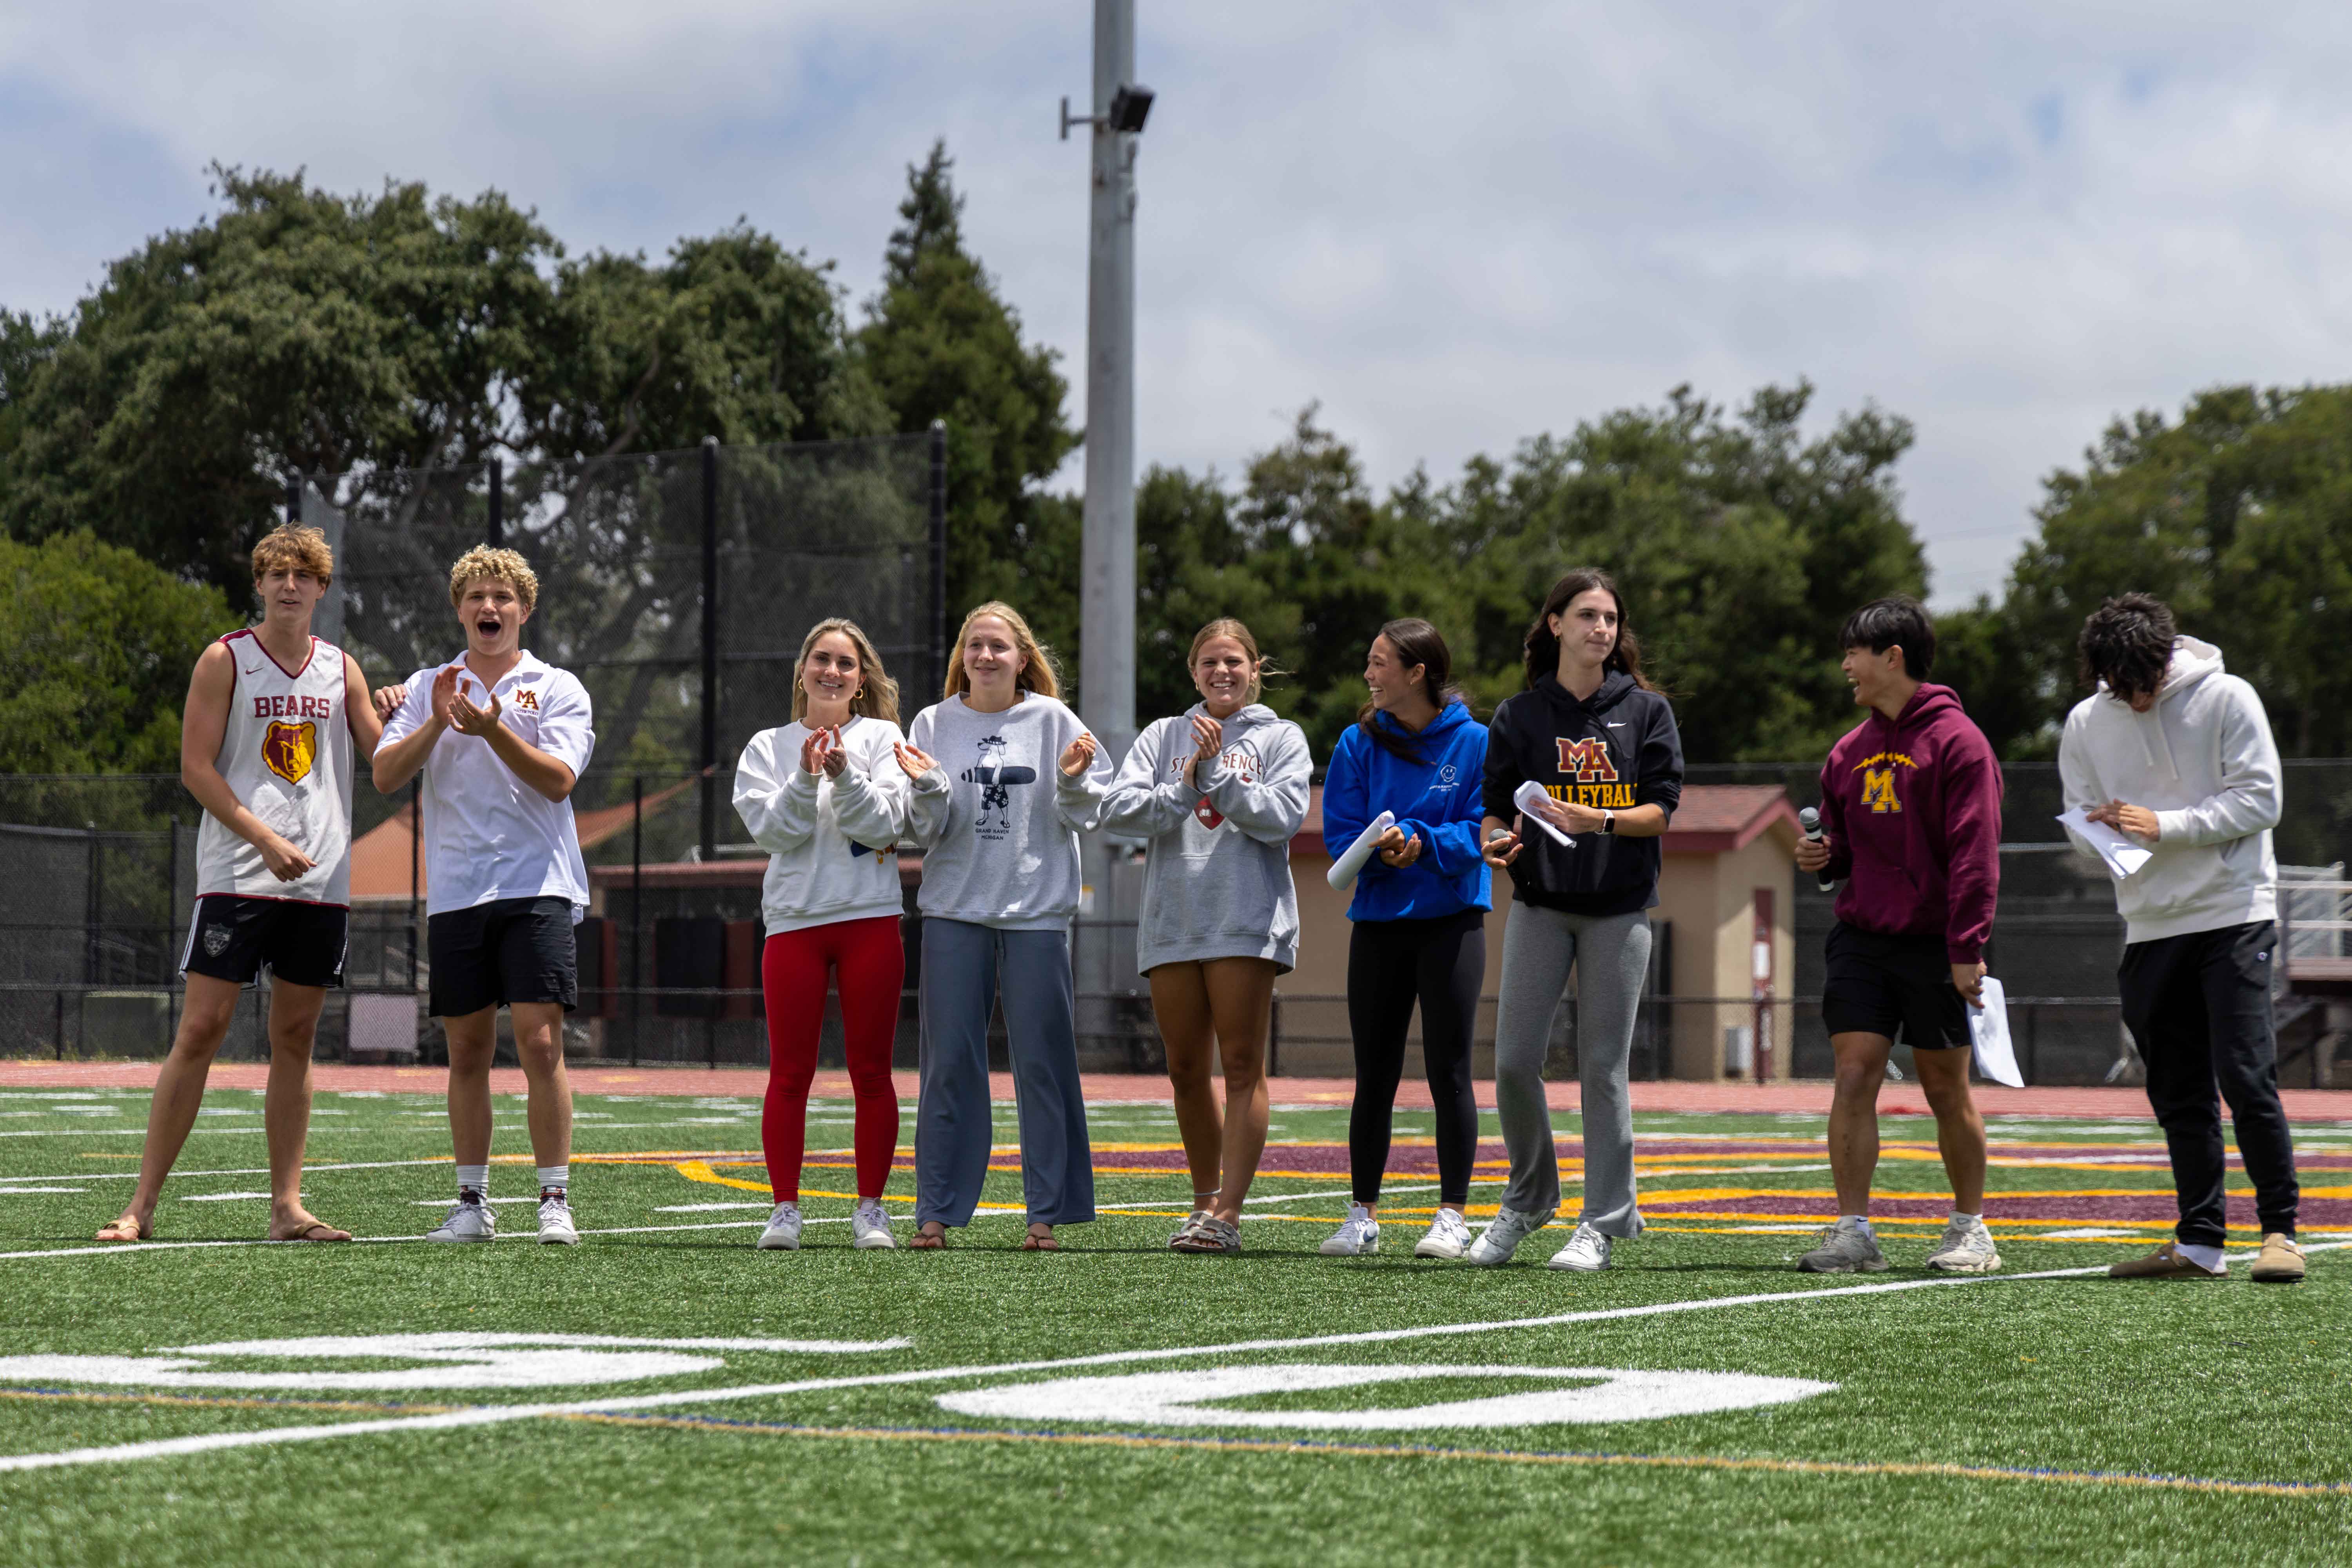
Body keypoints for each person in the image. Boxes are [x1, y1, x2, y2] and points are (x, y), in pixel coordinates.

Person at [98, 526, 387, 1245]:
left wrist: (421, 710)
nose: (290, 586)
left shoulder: (341, 669)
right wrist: (264, 838)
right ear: (258, 584)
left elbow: (386, 759)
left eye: (304, 575)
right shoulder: (225, 660)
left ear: (323, 589)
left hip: (320, 883)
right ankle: (140, 1206)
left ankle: (287, 1207)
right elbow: (197, 770)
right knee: (201, 1030)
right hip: (237, 876)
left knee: (296, 1035)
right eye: (277, 574)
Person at [2061, 595, 2303, 1283]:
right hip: (2148, 923)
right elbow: (2080, 819)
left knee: (2246, 1074)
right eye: (2119, 687)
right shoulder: (2084, 722)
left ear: (2165, 660)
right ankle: (2200, 1244)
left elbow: (2262, 800)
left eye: (2144, 684)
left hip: (2234, 911)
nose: (2135, 701)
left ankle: (2281, 1234)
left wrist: (2164, 825)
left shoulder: (2229, 698)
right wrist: (2101, 834)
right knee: (2176, 1088)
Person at [374, 546, 595, 1246]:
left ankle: (553, 1197)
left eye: (502, 597)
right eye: (476, 597)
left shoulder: (557, 687)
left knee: (539, 1043)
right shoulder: (425, 686)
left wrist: (492, 726)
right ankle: (471, 1202)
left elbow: (559, 781)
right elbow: (383, 775)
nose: (489, 608)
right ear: (459, 608)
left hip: (538, 886)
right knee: (466, 1052)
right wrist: (438, 719)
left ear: (524, 610)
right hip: (457, 893)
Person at [1472, 570, 1683, 1271]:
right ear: (1555, 624)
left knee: (1603, 1070)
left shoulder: (1648, 712)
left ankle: (1603, 1220)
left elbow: (1660, 812)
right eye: (1588, 616)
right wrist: (1493, 840)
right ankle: (1530, 1198)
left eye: (1612, 619)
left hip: (1618, 912)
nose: (1603, 629)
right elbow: (1494, 807)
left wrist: (1601, 819)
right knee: (1511, 1063)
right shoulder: (1518, 715)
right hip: (1539, 904)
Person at [1792, 596, 2002, 1275]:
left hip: (1937, 943)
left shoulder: (1959, 742)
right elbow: (1845, 848)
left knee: (1945, 1088)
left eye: (1854, 652)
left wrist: (1967, 946)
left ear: (1893, 657)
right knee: (1853, 1072)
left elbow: (1976, 852)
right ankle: (1854, 1232)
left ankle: (1971, 1230)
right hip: (1861, 937)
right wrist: (1824, 858)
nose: (1845, 667)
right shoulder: (1848, 752)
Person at [896, 602, 1110, 1250]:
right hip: (954, 910)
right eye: (975, 646)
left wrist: (1072, 781)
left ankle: (1045, 1216)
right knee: (948, 1064)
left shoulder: (1053, 721)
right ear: (962, 655)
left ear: (1023, 658)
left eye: (999, 647)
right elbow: (921, 828)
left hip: (1035, 915)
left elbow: (1089, 812)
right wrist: (932, 788)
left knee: (1043, 1065)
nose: (985, 657)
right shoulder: (933, 722)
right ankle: (935, 1213)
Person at [1102, 618, 1311, 1255]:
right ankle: (1201, 1203)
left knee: (1243, 1064)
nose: (1223, 673)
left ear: (1255, 667)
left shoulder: (1281, 736)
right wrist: (1186, 782)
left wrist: (1219, 773)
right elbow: (1116, 812)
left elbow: (1282, 819)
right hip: (1173, 920)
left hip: (1243, 921)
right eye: (1210, 663)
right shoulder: (1163, 735)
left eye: (1235, 662)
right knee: (1185, 1069)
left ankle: (1229, 1212)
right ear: (1193, 672)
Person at [733, 619, 913, 1253]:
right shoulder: (766, 747)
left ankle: (871, 1210)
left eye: (845, 663)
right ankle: (785, 1209)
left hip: (869, 920)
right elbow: (777, 835)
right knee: (789, 1074)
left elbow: (886, 824)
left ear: (862, 679)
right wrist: (808, 776)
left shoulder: (886, 737)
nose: (831, 672)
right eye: (821, 660)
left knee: (872, 1072)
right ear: (802, 670)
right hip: (795, 926)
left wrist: (844, 773)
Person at [1317, 619, 1492, 1260]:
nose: (1369, 674)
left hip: (1453, 922)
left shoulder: (1476, 742)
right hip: (1379, 926)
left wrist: (1420, 842)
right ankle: (1361, 1214)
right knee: (1375, 1073)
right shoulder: (1355, 743)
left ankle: (1452, 1215)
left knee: (1450, 1069)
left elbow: (1483, 831)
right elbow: (1341, 835)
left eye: (1379, 662)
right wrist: (1379, 849)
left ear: (1418, 672)